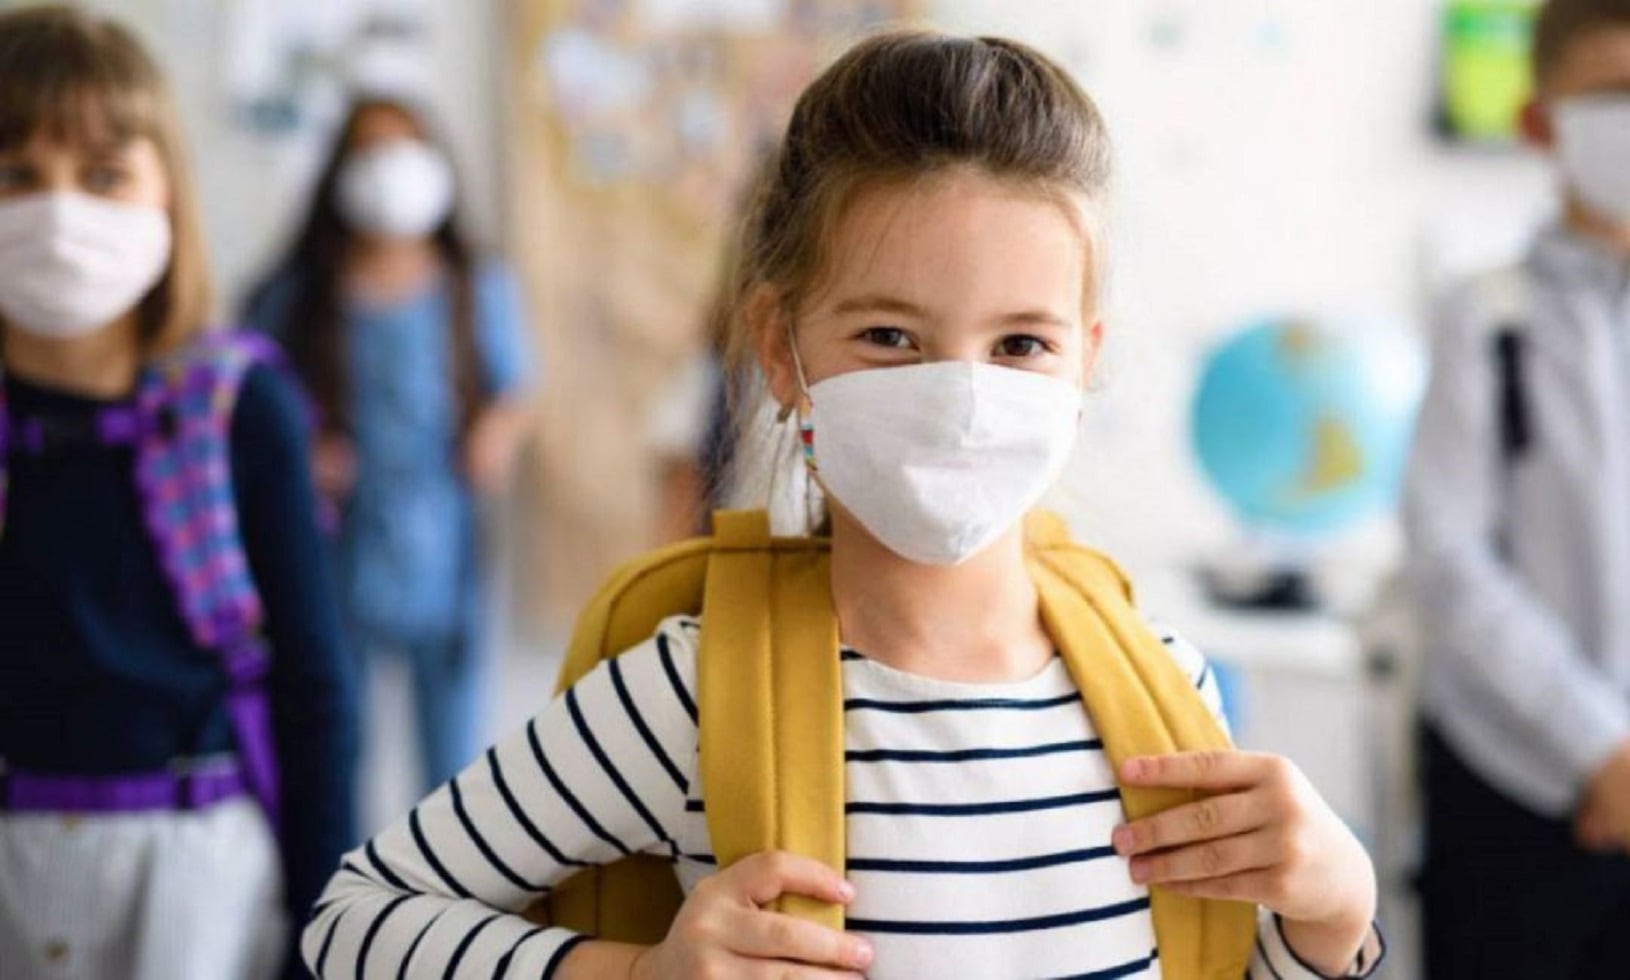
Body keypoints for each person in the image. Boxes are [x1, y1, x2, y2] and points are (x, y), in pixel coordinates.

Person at [301, 31, 1384, 979]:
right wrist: (641, 971)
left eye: (1019, 344)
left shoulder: (1167, 693)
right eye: (888, 336)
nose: (961, 394)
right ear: (779, 350)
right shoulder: (687, 691)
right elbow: (352, 921)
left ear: (1083, 362)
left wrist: (1336, 914)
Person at [0, 6, 356, 979]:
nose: (58, 210)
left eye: (103, 174)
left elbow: (314, 691)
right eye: (16, 175)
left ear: (165, 195)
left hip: (197, 870)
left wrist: (320, 929)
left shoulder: (239, 409)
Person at [1406, 1, 1630, 975]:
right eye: (1614, 95)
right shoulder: (1486, 314)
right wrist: (1600, 748)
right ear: (1540, 124)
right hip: (1515, 781)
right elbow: (1448, 556)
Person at [245, 96, 534, 795]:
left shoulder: (473, 284)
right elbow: (247, 389)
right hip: (335, 538)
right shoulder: (300, 291)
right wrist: (299, 452)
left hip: (447, 537)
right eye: (370, 152)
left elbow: (515, 389)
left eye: (406, 148)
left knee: (453, 739)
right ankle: (336, 881)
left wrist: (495, 435)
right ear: (339, 172)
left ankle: (447, 886)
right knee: (333, 727)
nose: (391, 170)